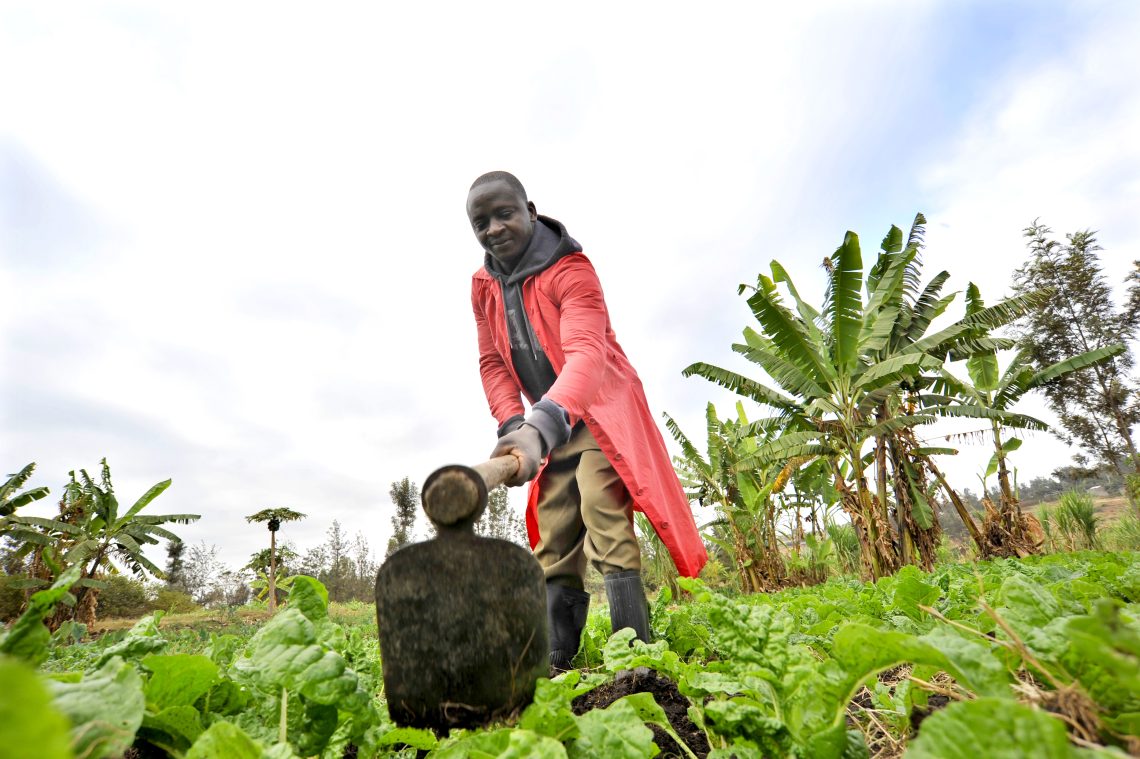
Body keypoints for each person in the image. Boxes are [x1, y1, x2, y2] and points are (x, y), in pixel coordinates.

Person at [466, 171, 707, 670]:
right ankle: (557, 658)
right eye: (480, 222)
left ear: (530, 210)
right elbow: (492, 362)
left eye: (504, 214)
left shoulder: (571, 271)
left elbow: (586, 357)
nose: (493, 229)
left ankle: (635, 658)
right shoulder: (483, 287)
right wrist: (513, 426)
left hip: (599, 412)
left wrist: (539, 426)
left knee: (602, 508)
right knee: (553, 533)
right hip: (547, 425)